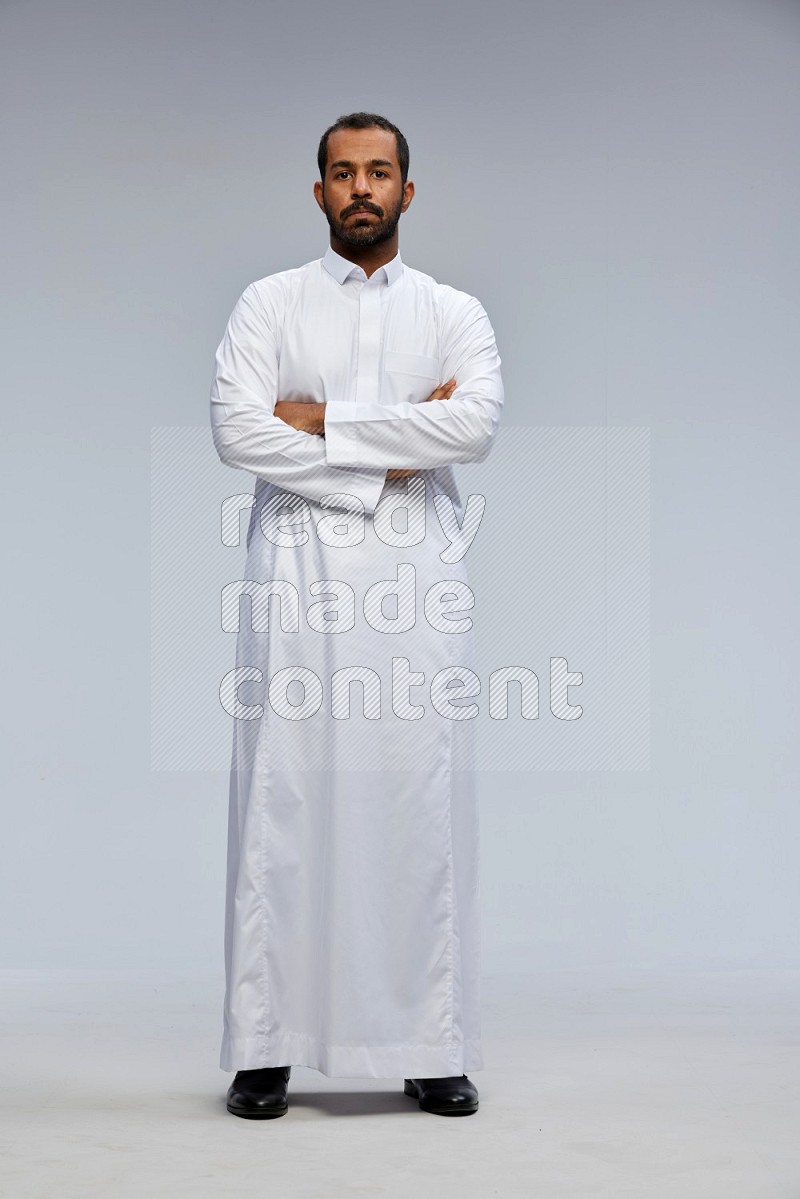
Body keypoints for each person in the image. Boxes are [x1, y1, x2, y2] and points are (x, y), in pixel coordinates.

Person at [209, 111, 504, 1119]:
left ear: (407, 191)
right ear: (319, 191)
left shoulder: (452, 310)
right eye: (342, 173)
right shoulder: (269, 303)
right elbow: (236, 430)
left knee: (408, 794)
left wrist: (324, 420)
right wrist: (389, 453)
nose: (361, 188)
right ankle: (265, 1045)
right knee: (284, 799)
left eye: (379, 171)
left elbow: (474, 422)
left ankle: (428, 1043)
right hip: (294, 576)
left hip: (414, 581)